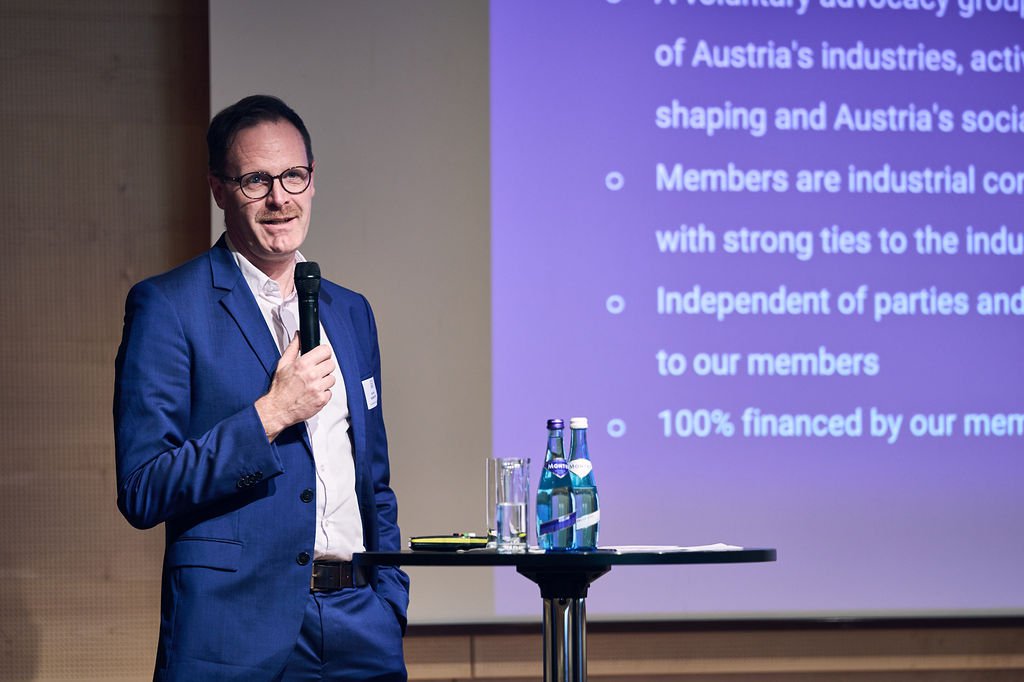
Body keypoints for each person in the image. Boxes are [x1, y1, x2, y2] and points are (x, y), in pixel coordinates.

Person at [114, 94, 409, 681]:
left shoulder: (351, 312)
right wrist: (270, 414)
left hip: (361, 625)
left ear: (313, 179)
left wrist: (390, 598)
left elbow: (373, 479)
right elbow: (143, 489)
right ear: (219, 190)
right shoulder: (169, 306)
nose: (280, 198)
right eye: (256, 180)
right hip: (233, 634)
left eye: (293, 175)